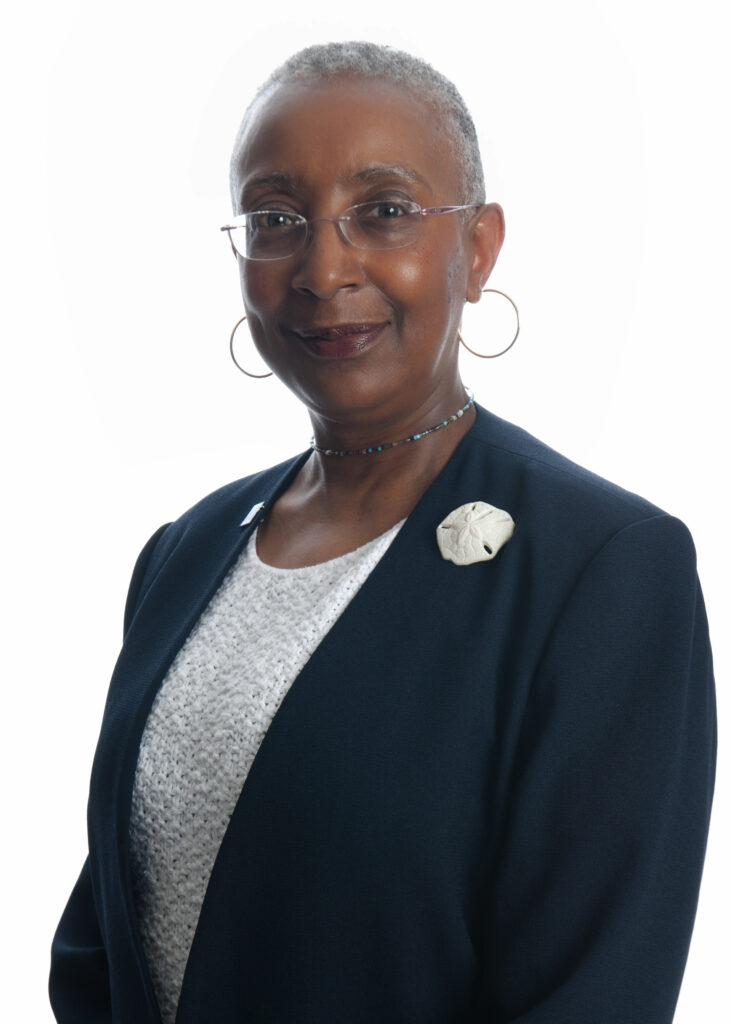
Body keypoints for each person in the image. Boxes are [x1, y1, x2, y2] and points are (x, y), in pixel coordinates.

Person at [49, 41, 716, 1024]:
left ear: (477, 247)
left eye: (385, 211)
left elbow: (590, 994)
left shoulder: (599, 569)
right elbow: (101, 945)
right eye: (276, 220)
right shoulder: (184, 554)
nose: (323, 269)